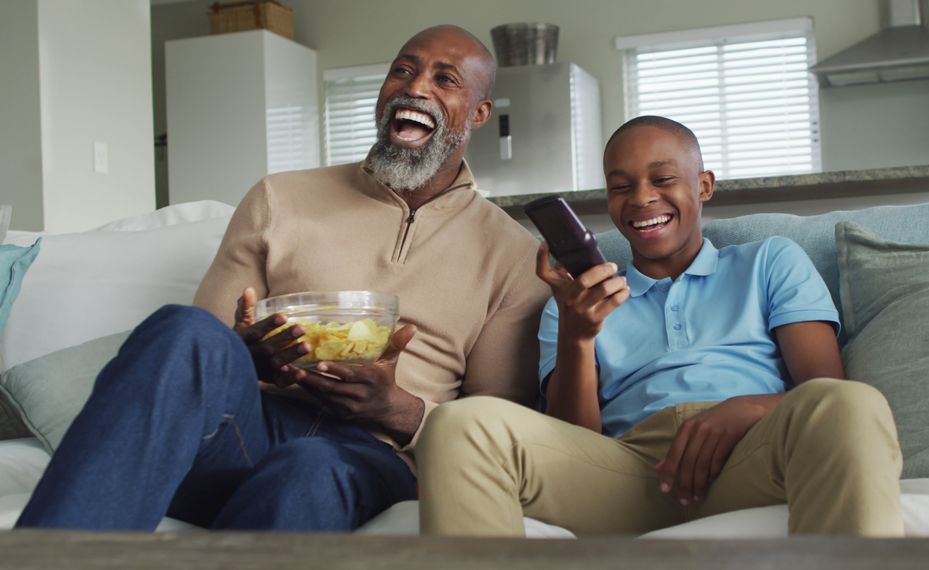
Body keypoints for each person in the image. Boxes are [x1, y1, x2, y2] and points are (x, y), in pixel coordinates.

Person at [17, 25, 549, 532]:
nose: (414, 87)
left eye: (443, 79)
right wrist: (248, 353)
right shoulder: (280, 197)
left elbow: (498, 420)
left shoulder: (513, 253)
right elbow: (200, 357)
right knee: (183, 330)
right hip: (249, 426)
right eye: (402, 71)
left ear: (478, 113)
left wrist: (400, 409)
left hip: (372, 453)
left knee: (309, 469)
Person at [417, 116, 904, 537]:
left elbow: (825, 390)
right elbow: (574, 439)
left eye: (663, 179)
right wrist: (578, 332)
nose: (641, 199)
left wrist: (746, 409)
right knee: (457, 422)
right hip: (626, 471)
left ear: (704, 186)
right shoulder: (573, 302)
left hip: (750, 455)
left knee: (852, 404)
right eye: (621, 186)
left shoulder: (769, 262)